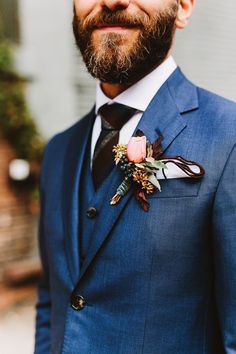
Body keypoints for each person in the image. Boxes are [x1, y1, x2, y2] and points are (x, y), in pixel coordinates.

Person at [34, 0, 236, 353]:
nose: (111, 1)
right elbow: (51, 302)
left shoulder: (229, 135)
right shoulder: (58, 152)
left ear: (184, 7)